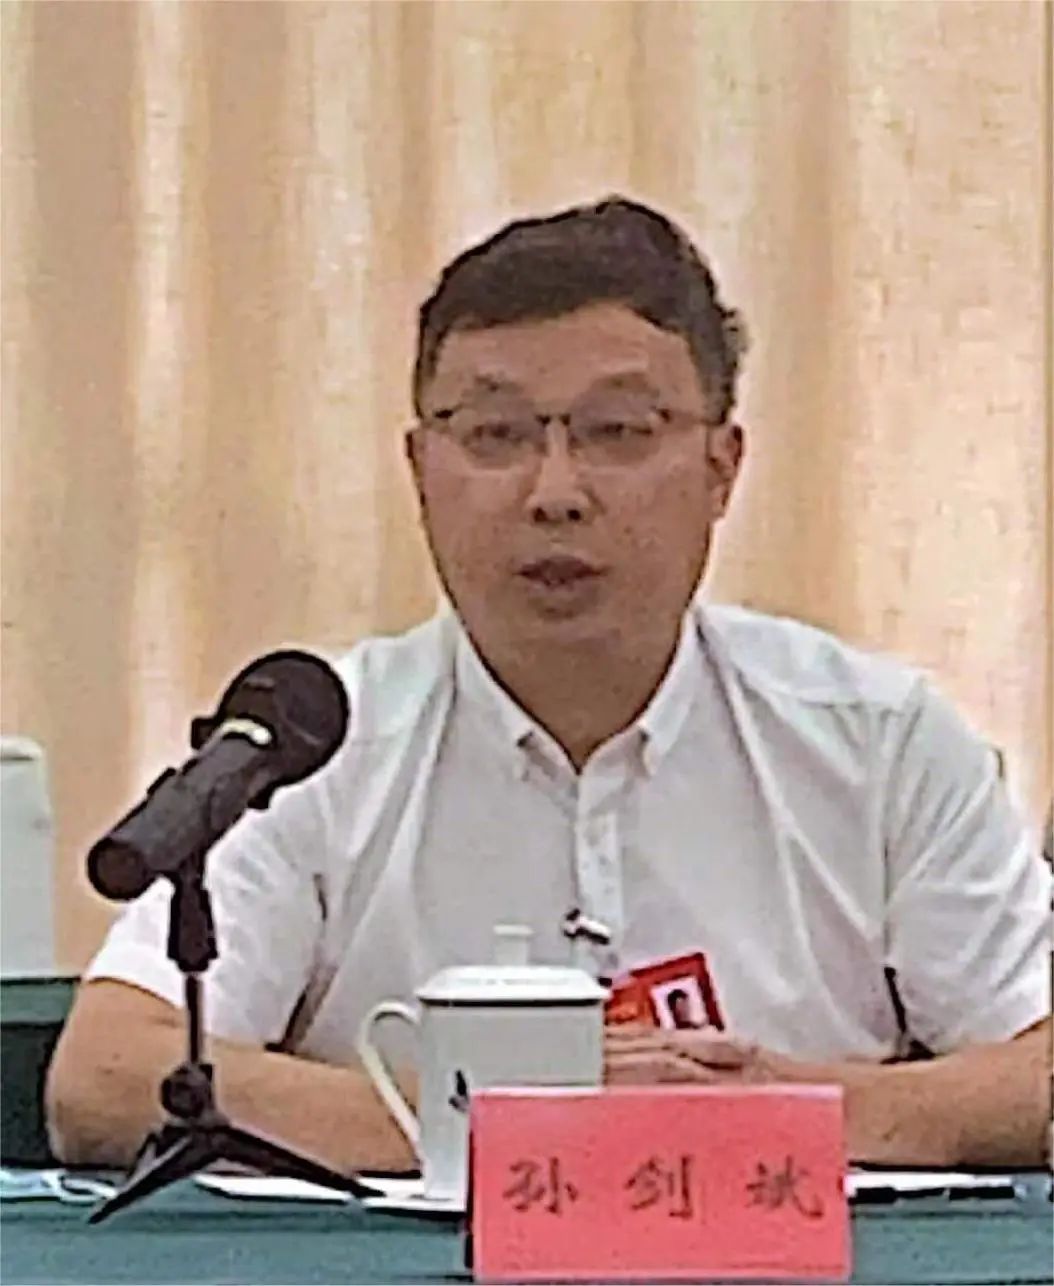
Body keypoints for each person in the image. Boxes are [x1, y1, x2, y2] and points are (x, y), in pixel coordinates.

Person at [47, 196, 1051, 1175]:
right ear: (420, 468)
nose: (556, 492)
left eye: (618, 431)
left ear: (721, 466)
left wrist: (754, 1116)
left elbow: (1035, 1066)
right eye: (496, 435)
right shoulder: (321, 747)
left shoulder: (877, 739)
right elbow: (106, 1077)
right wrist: (503, 1111)